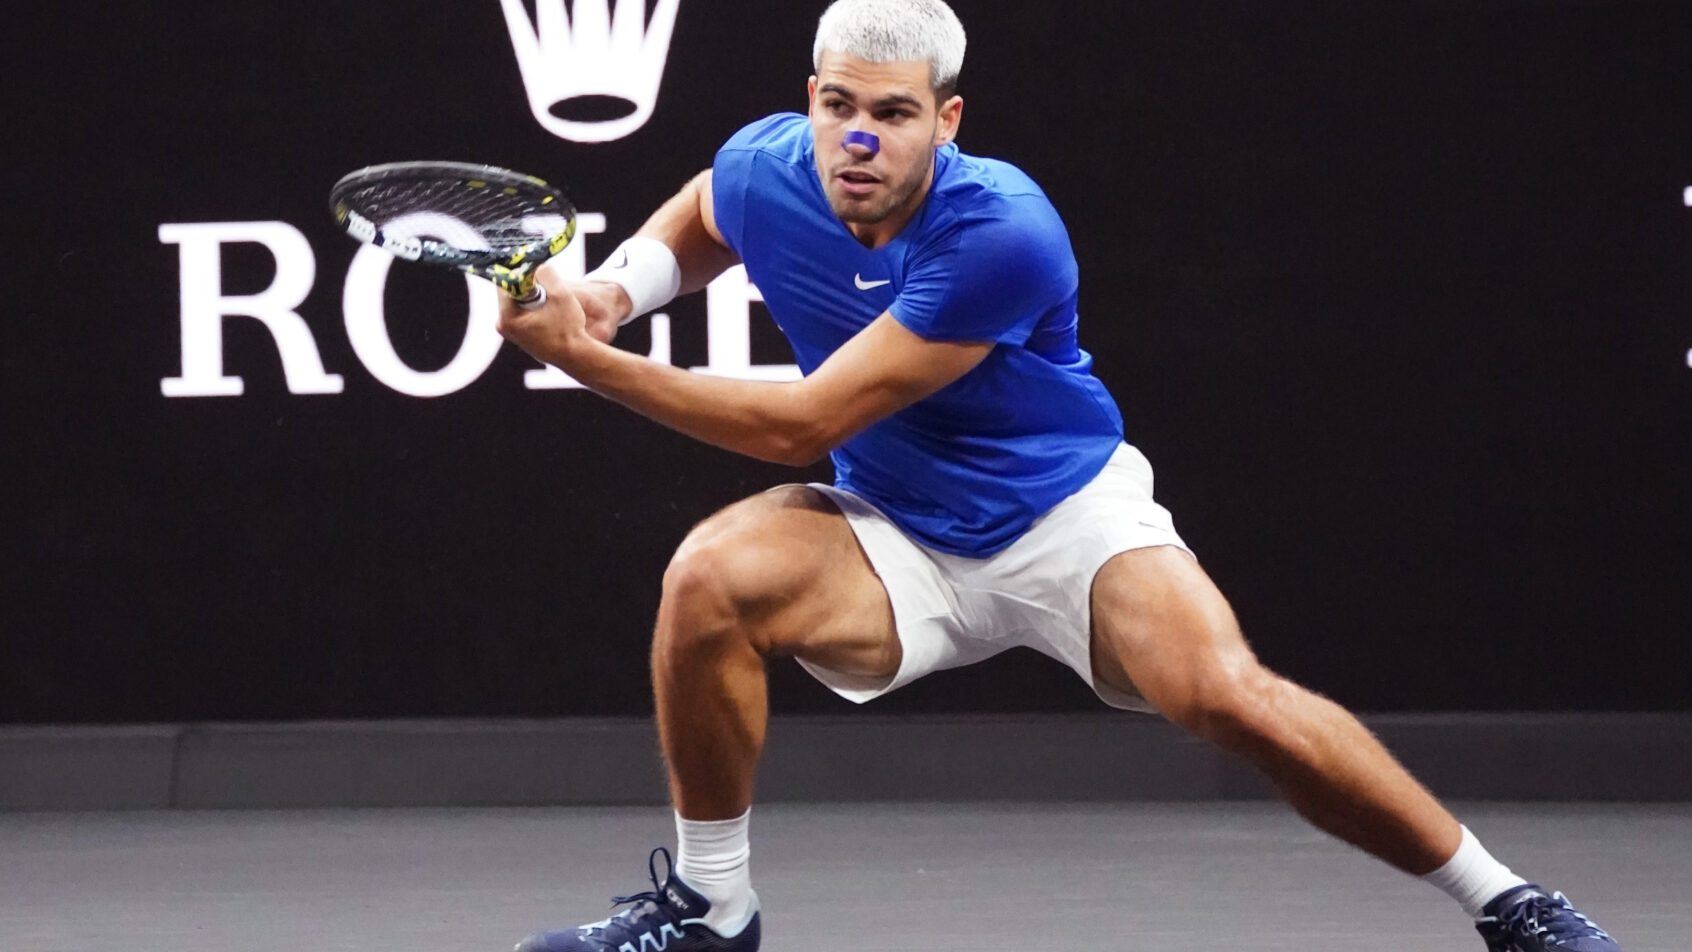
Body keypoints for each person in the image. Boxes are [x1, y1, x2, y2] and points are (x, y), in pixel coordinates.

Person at [493, 2, 1623, 950]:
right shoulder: (764, 165)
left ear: (948, 120)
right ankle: (710, 905)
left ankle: (1509, 902)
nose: (858, 140)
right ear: (812, 101)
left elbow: (804, 424)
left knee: (1229, 697)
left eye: (892, 115)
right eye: (838, 107)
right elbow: (704, 212)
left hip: (1064, 518)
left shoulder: (1003, 232)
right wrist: (615, 291)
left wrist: (588, 360)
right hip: (890, 524)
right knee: (708, 581)